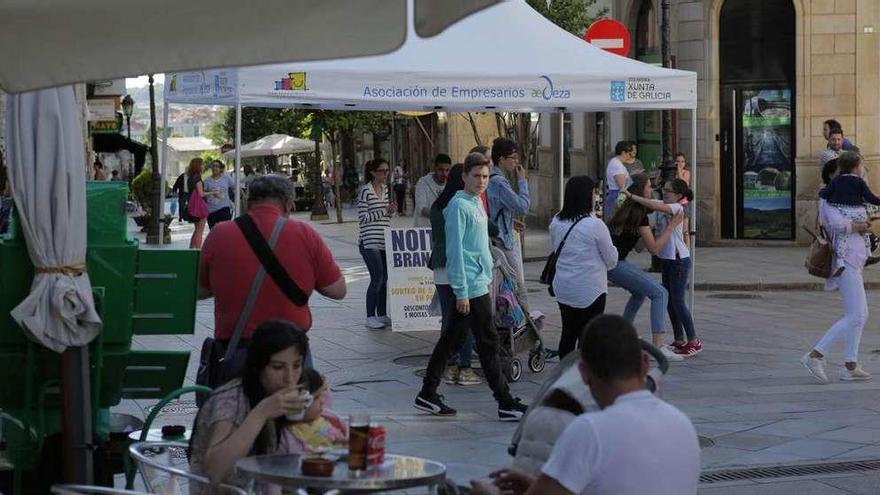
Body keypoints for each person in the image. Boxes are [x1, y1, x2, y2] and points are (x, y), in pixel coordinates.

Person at [470, 315, 700, 495]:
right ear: (644, 364)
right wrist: (535, 486)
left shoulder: (589, 431)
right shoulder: (682, 425)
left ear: (582, 372)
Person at [415, 152, 528, 421]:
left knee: (451, 341)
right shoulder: (457, 206)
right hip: (470, 287)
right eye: (476, 175)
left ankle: (427, 392)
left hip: (479, 280)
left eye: (485, 176)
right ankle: (504, 401)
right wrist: (462, 292)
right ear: (464, 176)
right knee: (487, 341)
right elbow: (455, 253)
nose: (481, 181)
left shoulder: (476, 202)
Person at [199, 175, 346, 367]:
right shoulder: (305, 234)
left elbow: (198, 290)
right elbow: (337, 290)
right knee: (294, 398)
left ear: (249, 202)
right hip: (291, 355)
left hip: (237, 351)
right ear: (288, 204)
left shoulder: (219, 233)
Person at [190, 320, 315, 486]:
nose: (290, 378)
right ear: (258, 367)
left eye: (297, 365)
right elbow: (215, 471)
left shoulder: (279, 393)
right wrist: (261, 413)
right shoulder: (231, 400)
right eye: (278, 367)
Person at [802, 157, 873, 383]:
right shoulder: (829, 198)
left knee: (860, 314)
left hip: (856, 257)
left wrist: (865, 224)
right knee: (857, 314)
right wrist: (858, 226)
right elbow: (834, 224)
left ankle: (850, 364)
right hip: (844, 260)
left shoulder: (851, 196)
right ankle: (815, 355)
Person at [608, 174, 685, 361]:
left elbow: (638, 246)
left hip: (615, 261)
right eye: (649, 187)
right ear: (640, 190)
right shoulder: (639, 214)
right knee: (660, 293)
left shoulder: (630, 210)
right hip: (615, 263)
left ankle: (622, 336)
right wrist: (670, 227)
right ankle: (658, 347)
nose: (652, 191)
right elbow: (654, 249)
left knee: (639, 292)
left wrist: (651, 231)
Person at [624, 179, 702, 356]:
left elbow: (651, 203)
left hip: (678, 260)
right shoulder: (665, 204)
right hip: (668, 260)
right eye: (663, 190)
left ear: (679, 195)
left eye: (668, 191)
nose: (664, 193)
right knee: (668, 301)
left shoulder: (677, 208)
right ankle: (679, 339)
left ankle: (693, 340)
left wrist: (631, 196)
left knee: (678, 301)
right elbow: (654, 204)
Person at [549, 176, 618, 359]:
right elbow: (611, 260)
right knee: (588, 336)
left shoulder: (556, 221)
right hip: (590, 289)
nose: (597, 196)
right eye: (595, 192)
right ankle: (585, 374)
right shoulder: (595, 225)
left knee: (568, 333)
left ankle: (565, 374)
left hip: (564, 286)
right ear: (588, 196)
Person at [430, 164, 482, 386]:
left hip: (440, 268)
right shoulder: (460, 205)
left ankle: (448, 366)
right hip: (458, 268)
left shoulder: (438, 205)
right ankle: (465, 367)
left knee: (448, 320)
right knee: (466, 320)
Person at [818, 151, 880, 277]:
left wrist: (822, 193)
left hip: (844, 212)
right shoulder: (860, 182)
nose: (863, 169)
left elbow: (825, 193)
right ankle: (868, 254)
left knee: (842, 237)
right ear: (856, 168)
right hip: (859, 213)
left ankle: (840, 261)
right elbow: (870, 198)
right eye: (862, 166)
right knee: (865, 234)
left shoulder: (836, 181)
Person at [488, 137, 530, 308]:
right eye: (512, 157)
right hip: (503, 242)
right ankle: (525, 327)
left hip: (499, 236)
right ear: (501, 159)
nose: (516, 162)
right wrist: (522, 181)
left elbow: (495, 208)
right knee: (518, 288)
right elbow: (523, 206)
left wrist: (510, 221)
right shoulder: (498, 182)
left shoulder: (492, 179)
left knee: (504, 288)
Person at [358, 158, 395, 329]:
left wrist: (390, 212)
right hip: (369, 241)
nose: (385, 174)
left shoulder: (386, 190)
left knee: (385, 278)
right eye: (382, 171)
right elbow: (363, 218)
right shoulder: (365, 191)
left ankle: (381, 314)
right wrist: (384, 210)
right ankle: (370, 316)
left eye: (387, 170)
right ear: (373, 173)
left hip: (384, 240)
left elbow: (385, 217)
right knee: (377, 277)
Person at [413, 153, 451, 228]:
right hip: (424, 230)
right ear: (434, 168)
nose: (444, 174)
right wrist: (440, 216)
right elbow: (421, 208)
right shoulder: (423, 183)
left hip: (442, 232)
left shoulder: (450, 184)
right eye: (441, 170)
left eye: (447, 170)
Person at [604, 141, 637, 220]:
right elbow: (623, 187)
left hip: (616, 195)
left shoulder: (616, 163)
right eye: (629, 154)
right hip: (618, 196)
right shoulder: (617, 165)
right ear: (623, 153)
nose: (631, 156)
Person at [184, 157, 209, 249]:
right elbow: (201, 194)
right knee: (199, 231)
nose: (203, 166)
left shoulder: (190, 178)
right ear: (198, 166)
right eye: (202, 164)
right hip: (200, 207)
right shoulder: (197, 178)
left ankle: (191, 249)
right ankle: (198, 251)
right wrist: (213, 192)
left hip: (192, 206)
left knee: (196, 230)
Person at [204, 160, 235, 230]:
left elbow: (235, 187)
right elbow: (203, 194)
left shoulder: (226, 178)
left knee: (226, 231)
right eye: (213, 166)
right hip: (211, 211)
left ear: (220, 168)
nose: (215, 168)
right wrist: (211, 193)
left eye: (217, 166)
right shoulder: (207, 181)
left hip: (224, 209)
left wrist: (242, 197)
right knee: (213, 232)